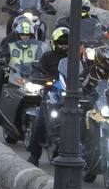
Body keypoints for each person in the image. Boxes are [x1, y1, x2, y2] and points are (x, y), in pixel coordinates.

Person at [26, 27, 75, 164]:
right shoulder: (47, 57)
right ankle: (34, 155)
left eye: (66, 44)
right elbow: (37, 71)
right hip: (52, 94)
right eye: (61, 43)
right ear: (54, 43)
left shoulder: (74, 59)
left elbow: (84, 72)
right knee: (40, 121)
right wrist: (44, 80)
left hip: (71, 95)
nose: (64, 46)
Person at [0, 18, 44, 133]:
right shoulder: (10, 44)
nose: (25, 37)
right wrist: (4, 58)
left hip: (31, 73)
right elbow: (3, 52)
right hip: (12, 70)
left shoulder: (36, 47)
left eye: (28, 35)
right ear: (18, 34)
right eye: (23, 35)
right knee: (0, 77)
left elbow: (41, 57)